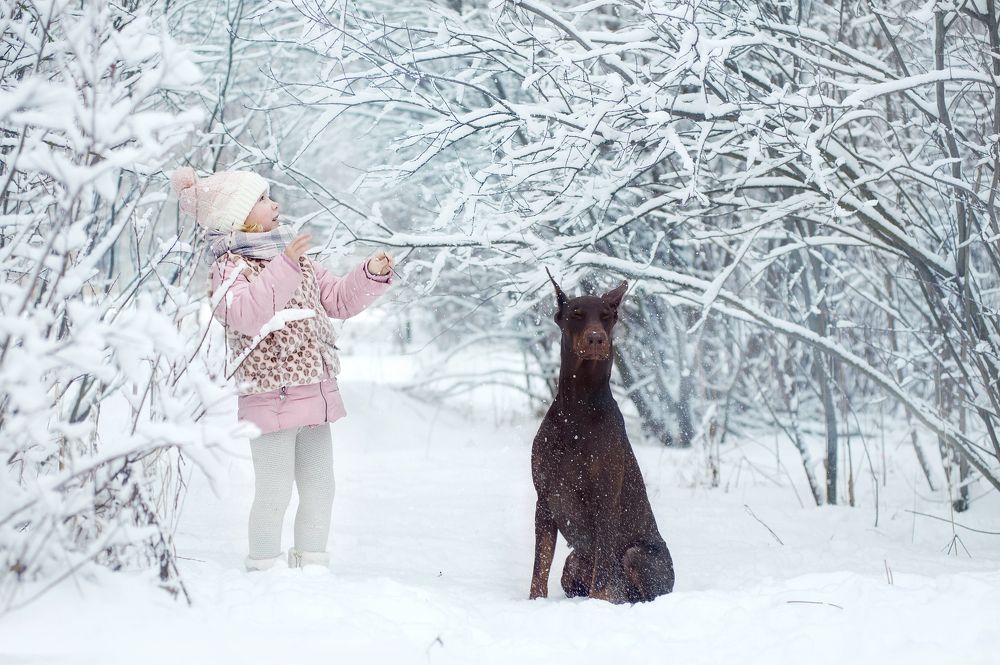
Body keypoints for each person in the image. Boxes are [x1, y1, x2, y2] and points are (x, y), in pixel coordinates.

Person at [171, 166, 394, 571]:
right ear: (238, 217)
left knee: (320, 488)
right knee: (274, 491)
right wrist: (286, 264)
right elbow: (245, 314)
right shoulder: (229, 269)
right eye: (262, 199)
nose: (275, 205)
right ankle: (264, 571)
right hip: (269, 398)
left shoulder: (297, 258)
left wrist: (370, 275)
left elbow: (338, 300)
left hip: (314, 393)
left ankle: (312, 568)